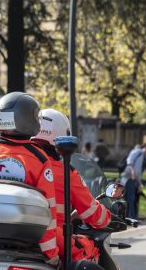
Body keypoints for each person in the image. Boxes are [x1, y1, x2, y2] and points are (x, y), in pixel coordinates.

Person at [0, 92, 60, 264]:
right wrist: (51, 254)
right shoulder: (40, 160)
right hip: (28, 246)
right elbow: (48, 211)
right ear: (27, 119)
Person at [32, 108, 111, 262]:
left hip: (12, 236)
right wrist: (107, 217)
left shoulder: (21, 162)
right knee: (88, 249)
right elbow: (92, 213)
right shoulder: (65, 172)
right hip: (53, 238)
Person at [121, 143, 146, 219]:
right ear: (143, 147)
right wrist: (132, 171)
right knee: (130, 198)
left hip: (133, 178)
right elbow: (129, 160)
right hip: (129, 177)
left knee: (130, 198)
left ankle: (129, 217)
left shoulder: (142, 156)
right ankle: (131, 217)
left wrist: (139, 184)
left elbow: (138, 172)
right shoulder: (138, 151)